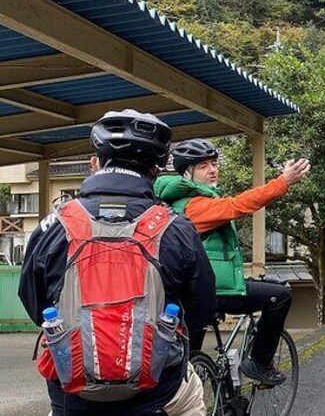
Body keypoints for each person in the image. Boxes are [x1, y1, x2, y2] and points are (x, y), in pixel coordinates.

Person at [18, 110, 216, 416]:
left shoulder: (53, 225)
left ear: (95, 163)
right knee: (194, 396)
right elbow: (202, 307)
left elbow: (32, 300)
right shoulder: (177, 228)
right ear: (156, 170)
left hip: (72, 393)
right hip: (156, 391)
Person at [154, 138, 310, 385]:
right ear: (187, 173)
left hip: (197, 291)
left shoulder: (184, 202)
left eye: (214, 163)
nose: (212, 169)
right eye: (203, 166)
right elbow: (238, 205)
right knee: (279, 296)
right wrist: (282, 182)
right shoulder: (193, 206)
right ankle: (259, 363)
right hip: (214, 291)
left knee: (188, 363)